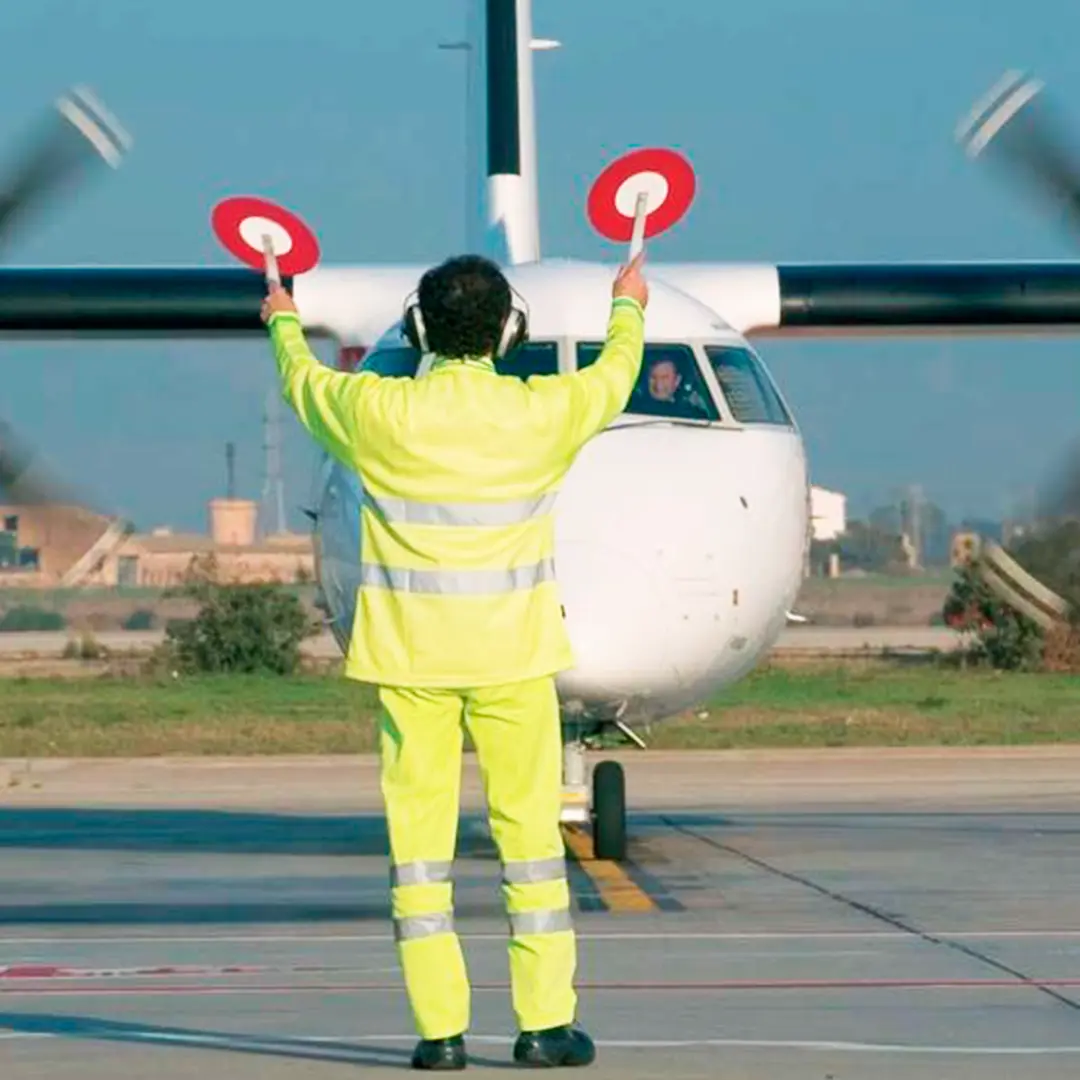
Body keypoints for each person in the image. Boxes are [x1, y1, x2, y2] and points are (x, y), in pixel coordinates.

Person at [261, 252, 648, 1070]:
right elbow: (616, 375)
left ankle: (439, 1035)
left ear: (417, 328)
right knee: (532, 848)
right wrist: (628, 306)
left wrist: (282, 315)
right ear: (512, 331)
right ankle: (545, 1028)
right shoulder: (545, 412)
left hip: (410, 664)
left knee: (420, 855)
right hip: (512, 659)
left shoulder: (371, 409)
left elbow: (301, 381)